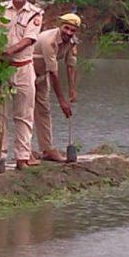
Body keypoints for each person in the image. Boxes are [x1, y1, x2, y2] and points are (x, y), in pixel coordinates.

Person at [0, 0, 44, 172]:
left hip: (23, 67)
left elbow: (29, 39)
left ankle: (22, 156)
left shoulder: (35, 13)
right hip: (1, 69)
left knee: (24, 114)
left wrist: (8, 52)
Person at [33, 14, 81, 162]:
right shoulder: (49, 41)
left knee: (44, 111)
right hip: (26, 73)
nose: (68, 32)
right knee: (25, 111)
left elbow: (70, 64)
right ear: (60, 26)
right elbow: (54, 72)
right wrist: (62, 101)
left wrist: (72, 89)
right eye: (66, 28)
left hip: (42, 75)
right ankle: (24, 152)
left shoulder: (72, 42)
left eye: (72, 30)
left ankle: (47, 149)